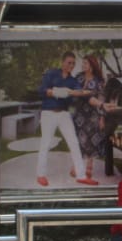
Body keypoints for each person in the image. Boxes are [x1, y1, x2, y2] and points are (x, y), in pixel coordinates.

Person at [36, 51, 88, 187]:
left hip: (64, 114)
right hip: (48, 113)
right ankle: (41, 175)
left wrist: (62, 91)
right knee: (45, 144)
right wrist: (58, 92)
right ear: (63, 62)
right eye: (69, 62)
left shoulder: (73, 80)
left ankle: (81, 175)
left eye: (73, 63)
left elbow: (78, 92)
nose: (71, 65)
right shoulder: (51, 74)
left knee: (74, 142)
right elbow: (42, 90)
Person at [73, 53, 115, 185]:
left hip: (93, 116)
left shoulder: (99, 82)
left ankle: (89, 171)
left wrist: (102, 118)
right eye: (83, 63)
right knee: (79, 141)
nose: (82, 65)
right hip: (79, 115)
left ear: (91, 66)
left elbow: (102, 100)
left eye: (85, 63)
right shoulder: (78, 77)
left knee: (91, 142)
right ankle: (76, 167)